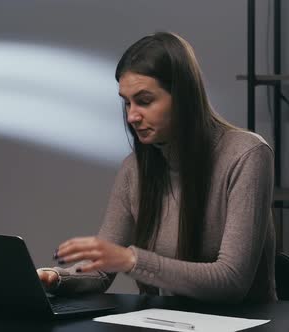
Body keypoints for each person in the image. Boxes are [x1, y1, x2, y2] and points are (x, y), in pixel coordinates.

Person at [37, 32, 276, 303]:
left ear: (183, 96)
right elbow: (101, 271)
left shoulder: (247, 155)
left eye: (145, 101)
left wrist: (131, 260)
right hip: (168, 321)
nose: (131, 116)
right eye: (127, 102)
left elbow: (232, 281)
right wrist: (54, 277)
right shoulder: (135, 169)